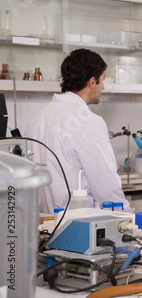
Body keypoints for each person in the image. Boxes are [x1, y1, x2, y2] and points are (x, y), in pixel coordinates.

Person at [25, 48, 130, 214]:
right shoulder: (89, 122)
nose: (103, 86)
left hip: (44, 224)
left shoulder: (38, 118)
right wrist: (126, 216)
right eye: (102, 80)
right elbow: (105, 183)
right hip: (80, 224)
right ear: (92, 82)